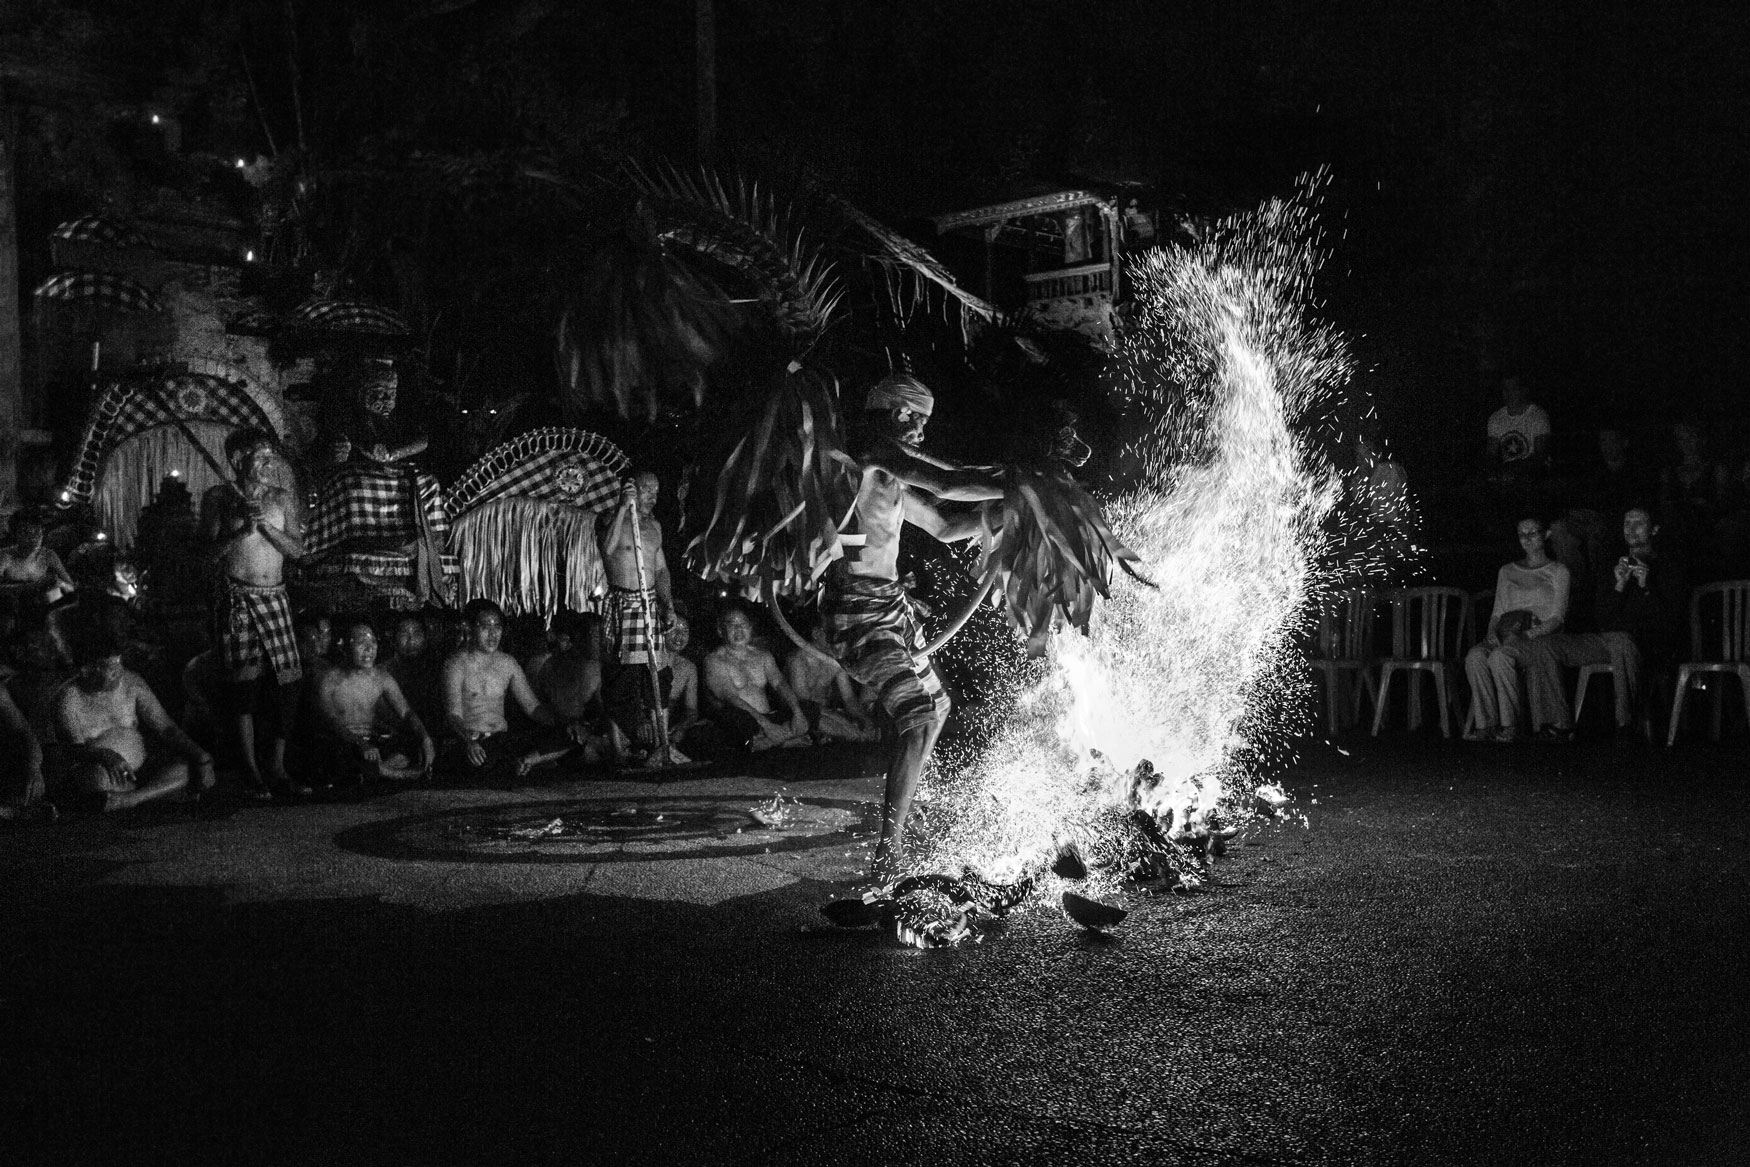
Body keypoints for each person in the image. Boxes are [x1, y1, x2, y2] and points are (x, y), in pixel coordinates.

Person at [822, 374, 1007, 876]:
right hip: (858, 613)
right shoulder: (864, 454)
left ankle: (898, 817)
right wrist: (1022, 482)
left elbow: (947, 525)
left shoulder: (890, 475)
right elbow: (947, 480)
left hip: (892, 609)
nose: (923, 431)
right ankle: (889, 853)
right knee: (920, 718)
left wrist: (1013, 512)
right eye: (919, 421)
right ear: (900, 415)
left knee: (938, 705)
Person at [198, 429, 307, 798]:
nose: (268, 464)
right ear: (237, 461)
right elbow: (207, 557)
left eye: (270, 457)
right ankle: (251, 772)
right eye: (259, 457)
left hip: (275, 596)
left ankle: (277, 766)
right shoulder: (217, 498)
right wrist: (242, 527)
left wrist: (266, 528)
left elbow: (297, 549)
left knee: (288, 684)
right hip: (236, 599)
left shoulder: (282, 497)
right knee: (243, 688)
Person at [1525, 506, 1687, 742]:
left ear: (1654, 530)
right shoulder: (1614, 566)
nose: (1630, 529)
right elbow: (1603, 620)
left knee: (1622, 640)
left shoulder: (1668, 566)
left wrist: (1645, 586)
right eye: (1626, 523)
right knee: (1546, 645)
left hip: (1649, 644)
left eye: (1638, 523)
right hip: (1610, 641)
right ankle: (1558, 725)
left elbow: (1670, 621)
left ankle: (1626, 726)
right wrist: (1619, 586)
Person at [50, 626, 214, 812]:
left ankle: (133, 799)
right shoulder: (68, 699)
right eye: (109, 668)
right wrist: (107, 756)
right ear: (87, 670)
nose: (117, 672)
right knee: (93, 780)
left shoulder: (132, 683)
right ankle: (154, 796)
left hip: (144, 769)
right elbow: (73, 749)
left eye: (119, 663)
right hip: (106, 776)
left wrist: (202, 756)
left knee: (185, 766)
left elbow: (166, 728)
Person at [439, 599, 590, 778]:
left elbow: (533, 708)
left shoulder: (507, 663)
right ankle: (527, 762)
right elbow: (453, 714)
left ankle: (528, 760)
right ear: (470, 628)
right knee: (478, 761)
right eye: (485, 627)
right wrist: (469, 742)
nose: (493, 634)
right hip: (475, 742)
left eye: (498, 627)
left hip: (503, 740)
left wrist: (566, 725)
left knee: (573, 737)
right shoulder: (456, 664)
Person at [1464, 514, 1571, 743]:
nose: (1527, 539)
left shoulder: (1558, 571)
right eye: (1522, 534)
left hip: (1534, 635)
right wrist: (1491, 632)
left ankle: (1510, 724)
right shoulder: (1507, 571)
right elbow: (1498, 610)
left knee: (1500, 657)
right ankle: (1486, 724)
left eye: (1533, 533)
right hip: (1506, 630)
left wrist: (1527, 634)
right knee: (1475, 656)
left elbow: (1557, 617)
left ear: (1546, 535)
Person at [596, 472, 674, 748]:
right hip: (623, 604)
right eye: (646, 490)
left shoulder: (654, 526)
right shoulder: (610, 519)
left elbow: (661, 568)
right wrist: (622, 509)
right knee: (622, 678)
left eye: (656, 491)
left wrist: (668, 604)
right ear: (631, 490)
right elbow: (607, 549)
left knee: (658, 674)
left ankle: (661, 743)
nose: (652, 496)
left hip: (650, 603)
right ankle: (620, 749)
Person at [312, 616, 435, 782]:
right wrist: (360, 744)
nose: (369, 649)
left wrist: (425, 739)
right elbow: (330, 719)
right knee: (332, 755)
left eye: (373, 643)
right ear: (344, 645)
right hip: (343, 742)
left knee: (413, 745)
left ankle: (374, 771)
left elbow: (405, 712)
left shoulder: (381, 677)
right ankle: (388, 773)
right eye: (361, 643)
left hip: (371, 744)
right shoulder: (329, 679)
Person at [703, 604, 811, 750]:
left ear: (750, 628)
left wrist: (797, 711)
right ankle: (783, 738)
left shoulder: (763, 656)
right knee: (733, 717)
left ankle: (770, 741)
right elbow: (730, 697)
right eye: (732, 625)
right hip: (745, 722)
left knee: (808, 708)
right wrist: (766, 725)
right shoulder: (714, 660)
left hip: (768, 717)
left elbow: (779, 683)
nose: (739, 630)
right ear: (721, 630)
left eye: (743, 624)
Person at [786, 624, 879, 743]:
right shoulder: (798, 659)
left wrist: (866, 720)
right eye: (831, 632)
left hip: (827, 713)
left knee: (865, 728)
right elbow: (804, 703)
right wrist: (845, 724)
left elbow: (849, 699)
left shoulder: (836, 661)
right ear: (816, 633)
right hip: (804, 714)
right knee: (850, 733)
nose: (836, 637)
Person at [0, 513, 75, 626]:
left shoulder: (48, 555)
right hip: (11, 610)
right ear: (15, 534)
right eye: (26, 532)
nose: (33, 537)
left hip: (40, 608)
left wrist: (50, 595)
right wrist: (31, 587)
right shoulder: (5, 556)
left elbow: (70, 587)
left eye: (37, 531)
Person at [1484, 375, 1551, 477]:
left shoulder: (1538, 416)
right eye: (1505, 389)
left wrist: (1514, 469)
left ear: (1524, 391)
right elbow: (1491, 454)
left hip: (1535, 474)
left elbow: (1540, 455)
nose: (1508, 394)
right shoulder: (1495, 418)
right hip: (1508, 475)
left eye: (1513, 389)